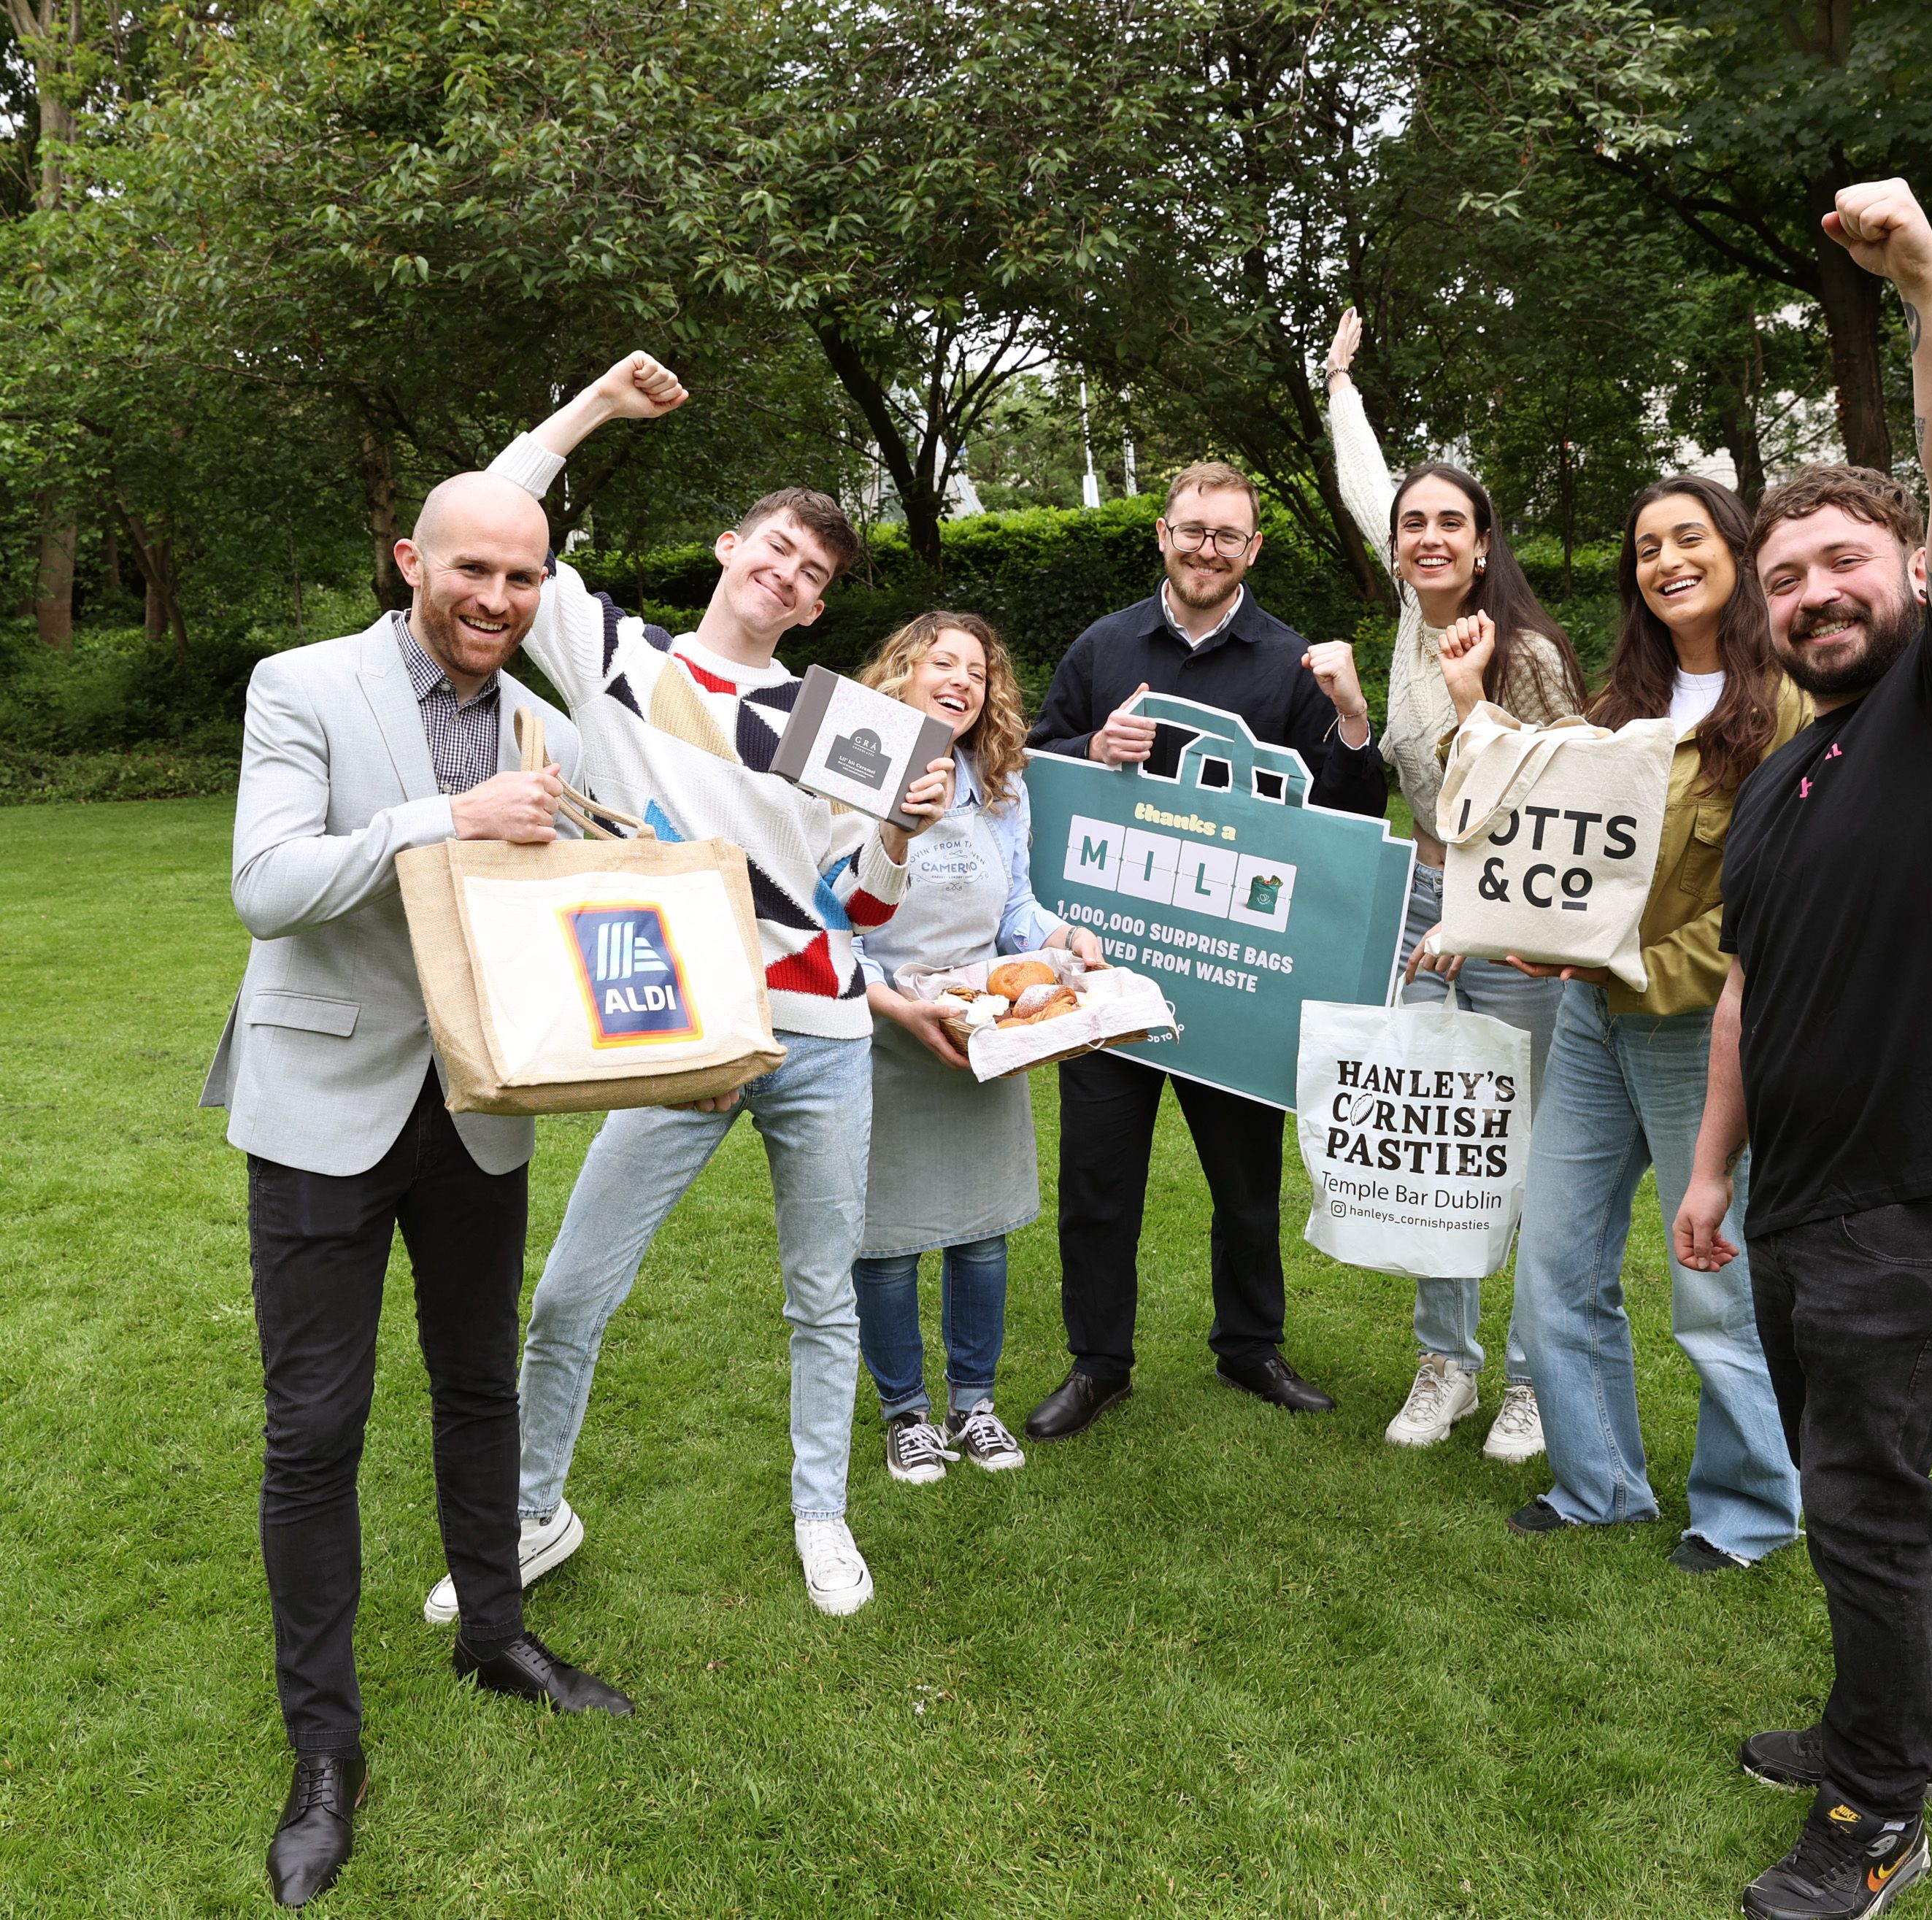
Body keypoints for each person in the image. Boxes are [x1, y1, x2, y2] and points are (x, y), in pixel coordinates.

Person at [416, 354, 950, 1627]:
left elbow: (863, 913)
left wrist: (903, 834)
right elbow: (494, 505)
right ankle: (533, 1515)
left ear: (819, 608)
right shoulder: (611, 650)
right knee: (570, 1293)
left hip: (817, 1031)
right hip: (672, 1026)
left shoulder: (841, 723)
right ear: (730, 549)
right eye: (776, 550)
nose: (788, 575)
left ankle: (822, 1512)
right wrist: (595, 404)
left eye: (814, 574)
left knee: (821, 1295)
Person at [1672, 180, 1932, 1920]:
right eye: (1782, 581)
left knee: (1860, 1491)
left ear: (1899, 566)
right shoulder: (1783, 783)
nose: (1810, 593)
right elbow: (1749, 984)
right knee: (1859, 1483)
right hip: (1805, 1195)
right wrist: (1705, 1164)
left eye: (1838, 560)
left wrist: (1923, 285)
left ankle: (1875, 1806)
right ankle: (1906, 1718)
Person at [201, 466, 635, 1906]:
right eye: (474, 573)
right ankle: (325, 1753)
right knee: (314, 1431)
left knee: (478, 1389)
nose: (498, 602)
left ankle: (495, 1633)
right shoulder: (303, 684)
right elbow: (267, 883)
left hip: (480, 1105)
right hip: (322, 1101)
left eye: (524, 581)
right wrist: (444, 819)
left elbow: (602, 878)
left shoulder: (544, 723)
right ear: (411, 560)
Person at [1022, 459, 1387, 1435]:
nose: (1206, 548)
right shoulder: (1104, 647)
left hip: (1235, 975)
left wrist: (1353, 718)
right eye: (1192, 529)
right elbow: (1028, 769)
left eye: (1228, 534)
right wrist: (1088, 750)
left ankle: (1249, 1345)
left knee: (1245, 1177)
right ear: (1163, 534)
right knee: (1098, 1177)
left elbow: (1347, 816)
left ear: (1253, 547)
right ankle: (1098, 1361)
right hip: (1110, 964)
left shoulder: (1293, 662)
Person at [1487, 474, 1806, 1575]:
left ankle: (1753, 1508)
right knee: (1555, 1264)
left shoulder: (1790, 705)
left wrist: (1618, 959)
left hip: (1699, 1030)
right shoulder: (1621, 704)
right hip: (1590, 1019)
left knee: (1713, 1279)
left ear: (1736, 547)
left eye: (1688, 537)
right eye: (1645, 547)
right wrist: (1546, 931)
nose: (1665, 560)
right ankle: (1599, 1483)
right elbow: (1560, 848)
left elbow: (1766, 909)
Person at [1325, 308, 1590, 1460]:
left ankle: (1532, 1376)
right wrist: (1338, 383)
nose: (1428, 535)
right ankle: (1448, 1364)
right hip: (1415, 911)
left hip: (1514, 929)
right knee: (1430, 1143)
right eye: (1412, 525)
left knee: (1515, 1149)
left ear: (1485, 544)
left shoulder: (1523, 653)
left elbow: (1572, 800)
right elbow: (1364, 478)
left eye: (1451, 523)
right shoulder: (1404, 619)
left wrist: (1480, 919)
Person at [847, 612, 1104, 1482]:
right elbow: (826, 925)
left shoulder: (999, 783)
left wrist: (1064, 937)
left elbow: (1016, 914)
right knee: (885, 1239)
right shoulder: (850, 770)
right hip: (882, 1031)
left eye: (979, 670)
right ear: (903, 674)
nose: (962, 679)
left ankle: (975, 1405)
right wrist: (893, 1005)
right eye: (942, 662)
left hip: (978, 1031)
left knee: (982, 1230)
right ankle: (905, 1414)